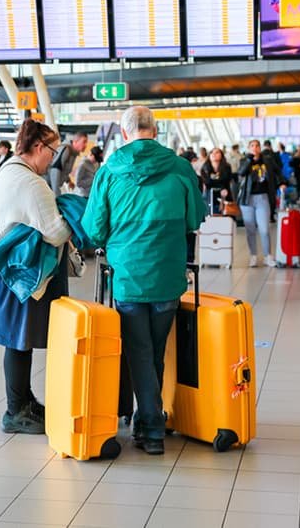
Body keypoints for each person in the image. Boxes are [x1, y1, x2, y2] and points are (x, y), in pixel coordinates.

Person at [83, 106, 205, 455]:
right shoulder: (180, 168)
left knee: (139, 348)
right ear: (156, 130)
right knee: (154, 348)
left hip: (129, 275)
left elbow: (94, 230)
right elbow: (195, 218)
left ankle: (151, 427)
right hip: (168, 273)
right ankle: (149, 418)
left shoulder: (109, 171)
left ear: (124, 134)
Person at [0, 120, 73, 434]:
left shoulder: (10, 169)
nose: (53, 159)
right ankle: (15, 411)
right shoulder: (32, 183)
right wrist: (76, 222)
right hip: (8, 270)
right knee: (18, 339)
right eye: (52, 151)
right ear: (38, 147)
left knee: (18, 340)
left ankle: (24, 402)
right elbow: (56, 232)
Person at [237, 140, 278, 267]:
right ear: (249, 148)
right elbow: (241, 172)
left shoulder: (267, 160)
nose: (255, 148)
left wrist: (282, 183)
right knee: (250, 229)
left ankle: (267, 256)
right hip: (247, 198)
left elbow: (276, 172)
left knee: (264, 229)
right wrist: (250, 159)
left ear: (260, 148)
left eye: (257, 146)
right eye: (252, 146)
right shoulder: (244, 160)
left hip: (263, 197)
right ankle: (253, 255)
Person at [201, 147, 234, 214]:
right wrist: (220, 185)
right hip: (210, 196)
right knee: (211, 216)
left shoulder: (227, 167)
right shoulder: (205, 168)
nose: (214, 154)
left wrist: (215, 182)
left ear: (221, 155)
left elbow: (226, 181)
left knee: (226, 217)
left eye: (217, 152)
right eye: (212, 153)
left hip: (224, 197)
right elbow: (207, 182)